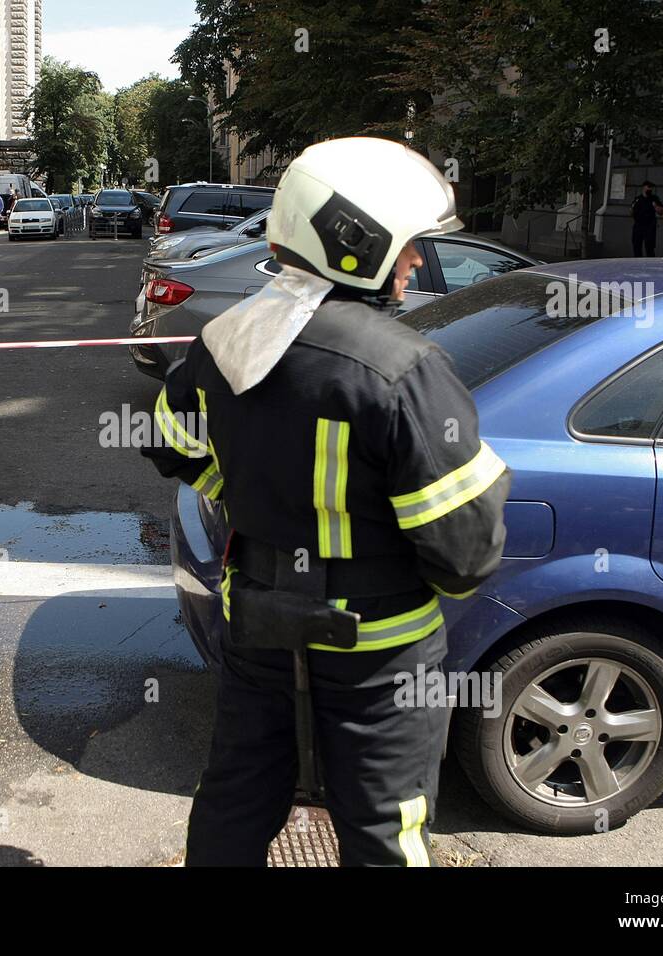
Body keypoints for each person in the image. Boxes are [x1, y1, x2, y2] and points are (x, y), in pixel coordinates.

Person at [142, 137, 510, 866]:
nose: (415, 263)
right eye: (409, 247)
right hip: (379, 651)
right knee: (385, 832)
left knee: (235, 803)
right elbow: (465, 556)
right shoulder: (406, 366)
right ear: (357, 241)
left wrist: (241, 494)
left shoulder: (225, 339)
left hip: (256, 621)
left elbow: (167, 440)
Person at [630, 181, 663, 257]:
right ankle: (638, 264)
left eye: (651, 187)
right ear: (644, 187)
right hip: (638, 226)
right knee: (636, 246)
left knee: (649, 248)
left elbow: (661, 211)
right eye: (648, 187)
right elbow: (631, 211)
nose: (650, 189)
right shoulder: (638, 199)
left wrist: (655, 206)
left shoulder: (654, 198)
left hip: (649, 227)